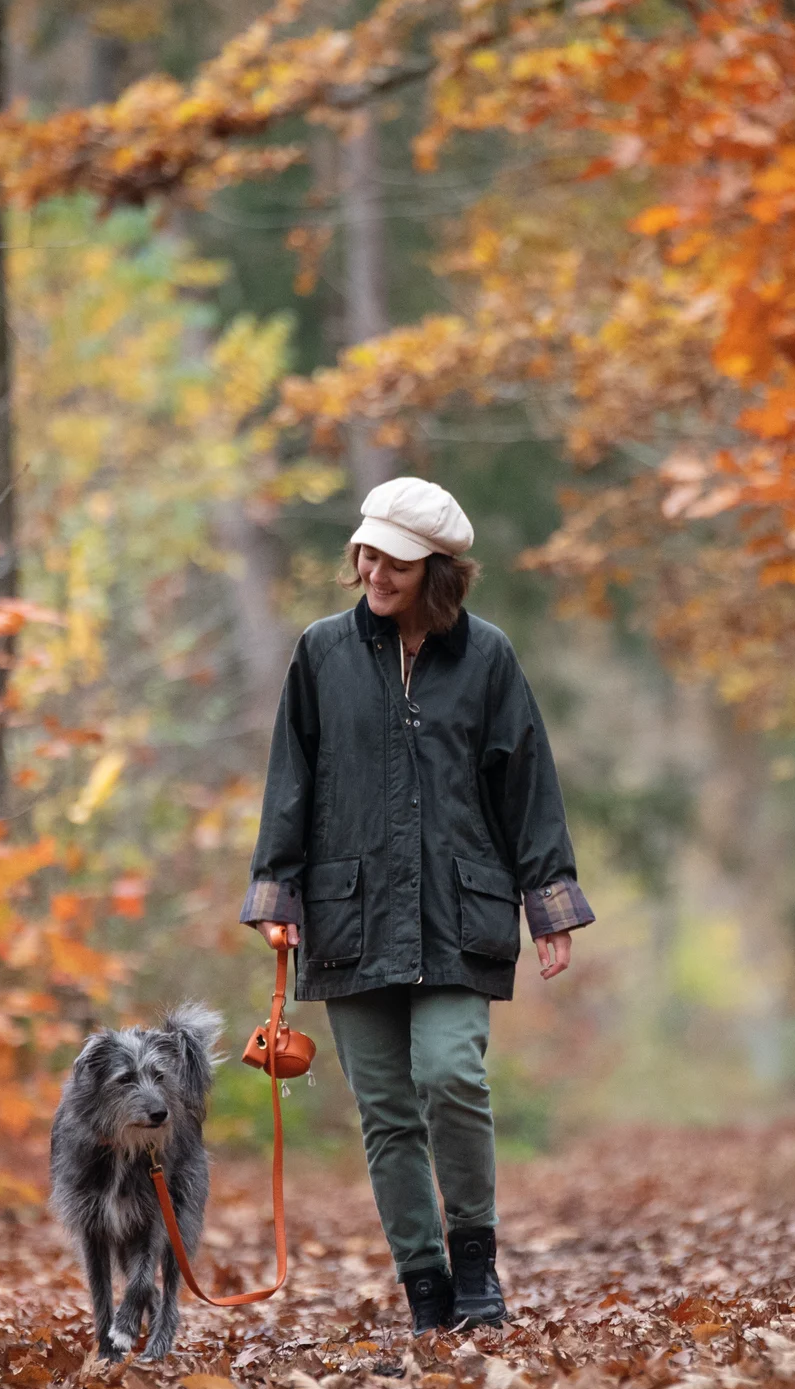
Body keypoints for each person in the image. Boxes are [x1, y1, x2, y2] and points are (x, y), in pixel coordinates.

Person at [241, 475, 593, 1334]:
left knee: (449, 1073)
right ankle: (427, 1291)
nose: (373, 570)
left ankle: (476, 1268)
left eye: (393, 559)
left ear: (436, 568)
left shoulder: (489, 658)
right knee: (387, 1112)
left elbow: (528, 783)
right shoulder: (320, 652)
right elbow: (292, 778)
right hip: (348, 912)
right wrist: (276, 891)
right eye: (365, 552)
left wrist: (547, 902)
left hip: (457, 911)